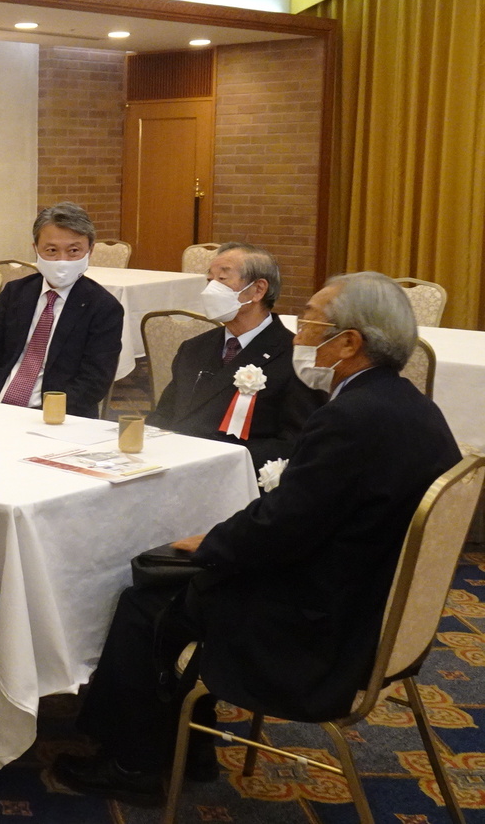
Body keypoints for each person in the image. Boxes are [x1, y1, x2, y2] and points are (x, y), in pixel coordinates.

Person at [53, 272, 462, 806]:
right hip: (378, 606)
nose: (298, 334)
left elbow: (282, 528)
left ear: (349, 343)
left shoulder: (350, 418)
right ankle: (189, 748)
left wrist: (211, 545)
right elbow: (307, 516)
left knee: (148, 597)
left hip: (324, 627)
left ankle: (133, 764)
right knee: (187, 577)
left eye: (310, 321)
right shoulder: (411, 405)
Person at [149, 242, 324, 472]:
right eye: (209, 280)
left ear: (258, 290)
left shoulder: (294, 358)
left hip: (239, 475)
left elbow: (297, 442)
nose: (211, 289)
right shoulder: (193, 348)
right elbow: (164, 415)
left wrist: (219, 457)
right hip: (176, 469)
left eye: (222, 279)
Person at [0, 202, 123, 418]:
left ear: (90, 250)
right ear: (36, 250)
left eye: (74, 251)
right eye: (51, 251)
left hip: (58, 416)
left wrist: (43, 416)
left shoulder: (103, 307)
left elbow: (93, 382)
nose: (62, 260)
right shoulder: (15, 293)